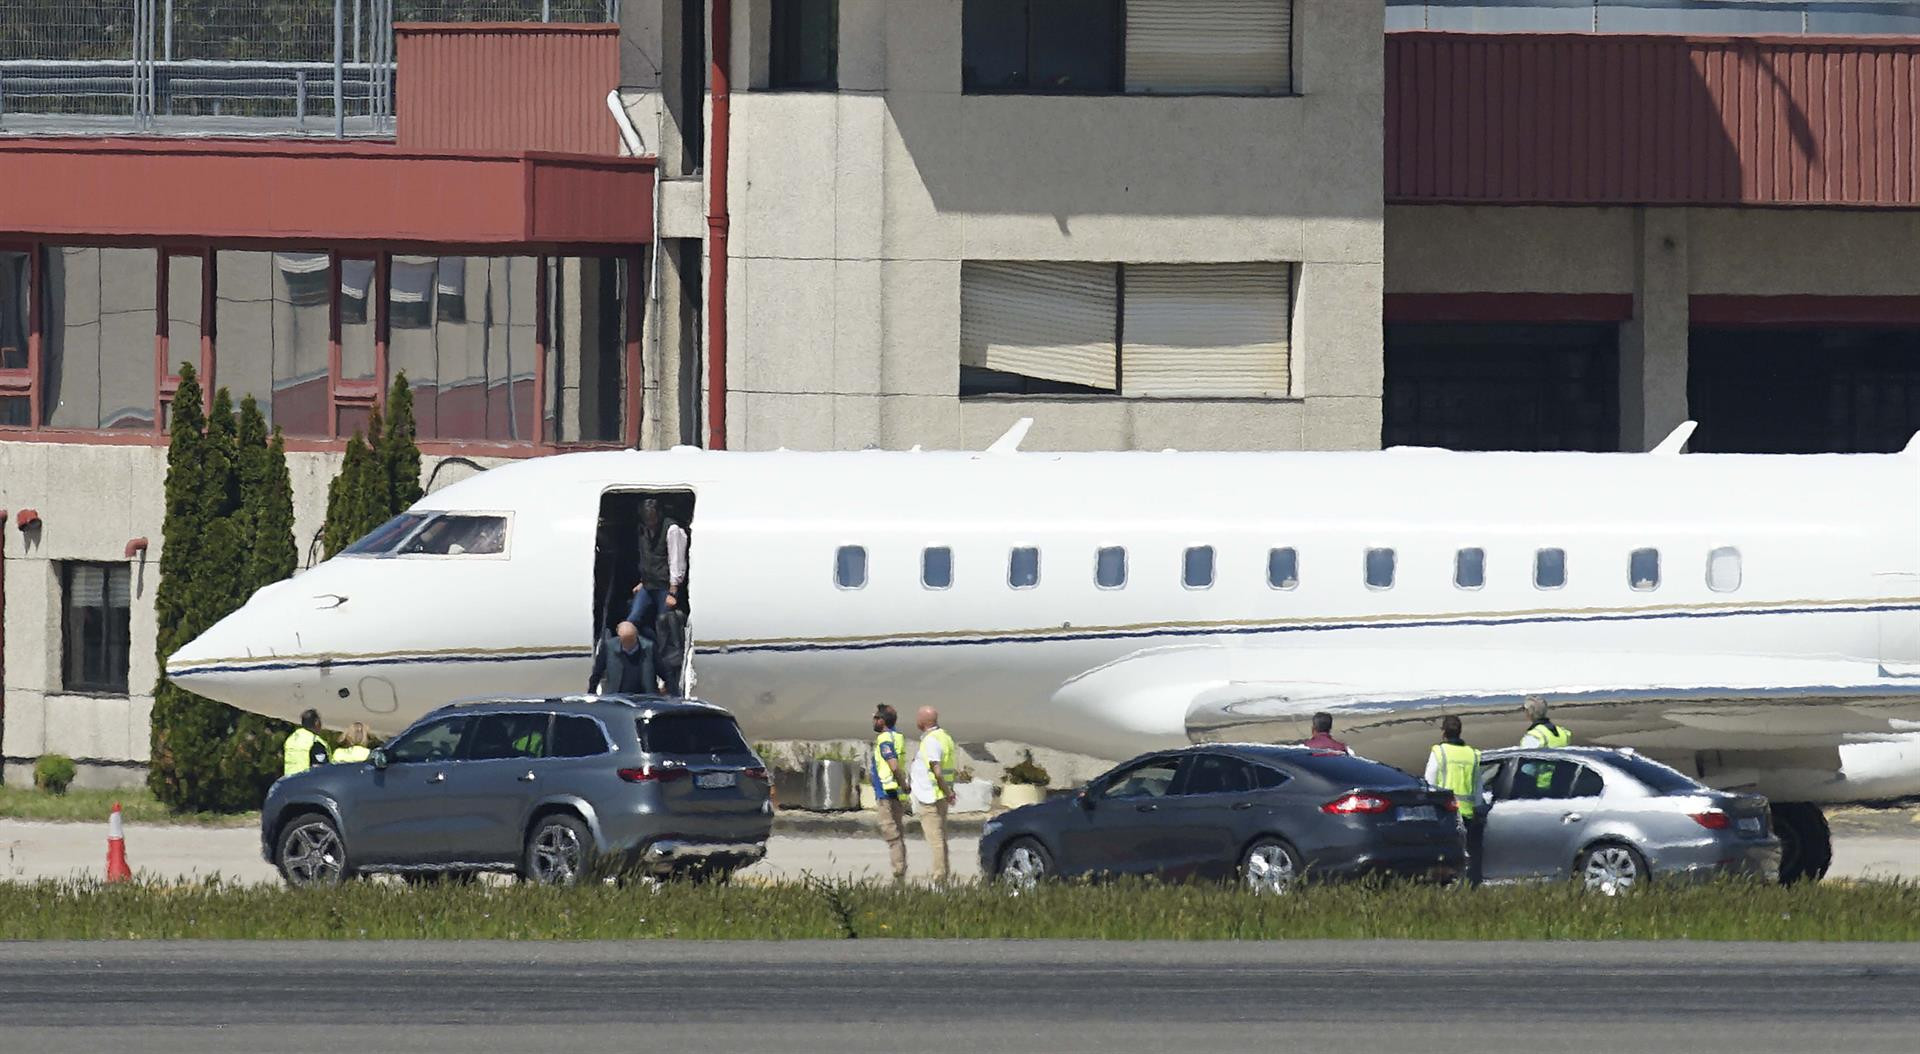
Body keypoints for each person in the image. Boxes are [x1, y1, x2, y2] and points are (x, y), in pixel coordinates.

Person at [1425, 715, 1485, 884]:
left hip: (1445, 813)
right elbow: (1478, 787)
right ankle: (1467, 886)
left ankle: (1446, 887)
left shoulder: (1439, 752)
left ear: (1444, 732)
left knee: (1444, 856)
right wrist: (1477, 810)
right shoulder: (1472, 754)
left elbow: (1429, 782)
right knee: (1465, 856)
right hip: (1467, 814)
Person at [627, 499, 689, 660]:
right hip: (648, 584)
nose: (651, 523)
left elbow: (676, 560)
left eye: (653, 519)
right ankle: (644, 654)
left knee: (664, 625)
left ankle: (662, 664)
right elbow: (647, 557)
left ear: (659, 514)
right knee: (632, 620)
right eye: (647, 519)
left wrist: (673, 591)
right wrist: (642, 581)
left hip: (665, 586)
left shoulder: (672, 529)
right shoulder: (643, 529)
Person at [910, 705, 958, 882]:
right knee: (941, 838)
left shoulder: (931, 741)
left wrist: (948, 793)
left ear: (922, 722)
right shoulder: (944, 737)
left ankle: (939, 879)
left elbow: (937, 771)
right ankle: (944, 874)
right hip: (939, 795)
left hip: (930, 796)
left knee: (935, 839)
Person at [869, 705, 910, 882]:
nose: (873, 721)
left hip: (886, 793)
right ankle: (901, 868)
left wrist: (904, 784)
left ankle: (898, 871)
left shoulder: (885, 739)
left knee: (891, 833)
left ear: (882, 721)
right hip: (895, 793)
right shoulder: (897, 736)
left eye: (876, 718)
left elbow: (893, 764)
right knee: (898, 833)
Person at [1518, 695, 1572, 791]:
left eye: (1525, 709)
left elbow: (1525, 765)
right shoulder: (1563, 732)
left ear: (1530, 712)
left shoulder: (1534, 735)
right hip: (1564, 784)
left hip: (1540, 787)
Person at [588, 621, 656, 695]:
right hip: (616, 697)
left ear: (636, 636)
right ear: (619, 637)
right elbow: (597, 672)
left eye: (631, 640)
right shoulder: (608, 647)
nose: (628, 644)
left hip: (644, 697)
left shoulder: (649, 648)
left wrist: (669, 693)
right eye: (625, 641)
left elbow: (664, 672)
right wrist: (592, 693)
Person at [283, 709, 330, 777]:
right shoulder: (315, 741)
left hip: (290, 783)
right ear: (316, 722)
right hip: (307, 783)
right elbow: (320, 769)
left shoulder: (292, 739)